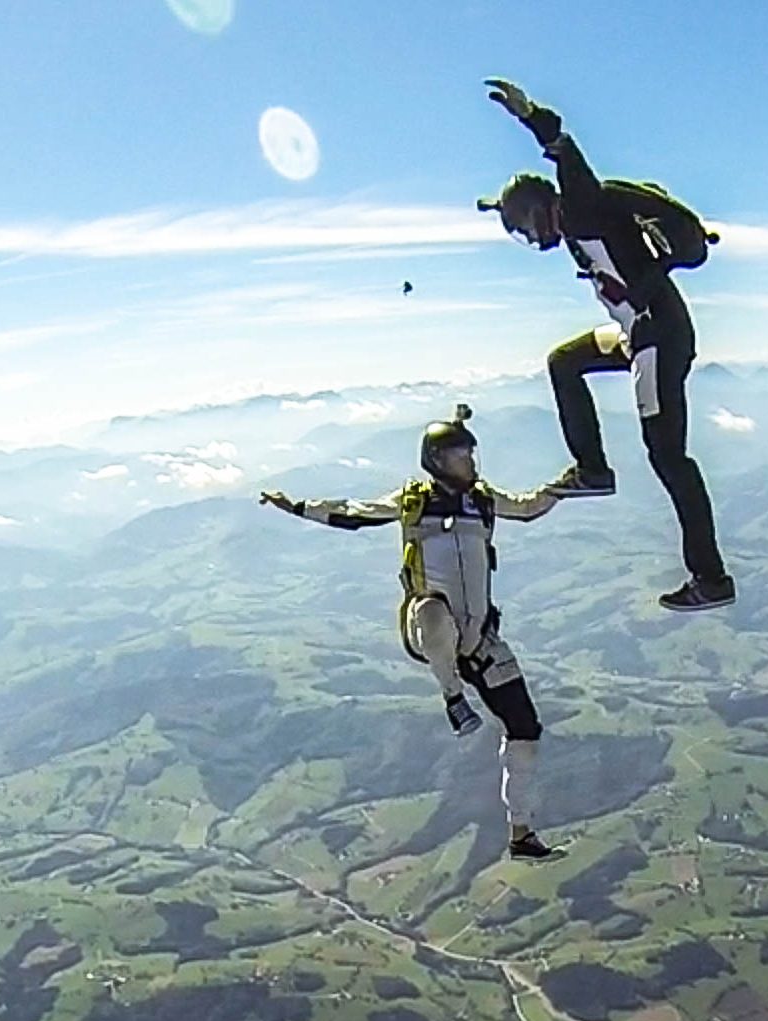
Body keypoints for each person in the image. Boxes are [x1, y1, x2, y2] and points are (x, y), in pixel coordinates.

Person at [259, 405, 562, 861]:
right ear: (438, 460)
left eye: (472, 454)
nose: (472, 463)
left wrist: (567, 485)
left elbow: (525, 508)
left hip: (478, 635)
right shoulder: (411, 501)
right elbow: (353, 512)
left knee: (526, 729)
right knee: (433, 612)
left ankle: (521, 833)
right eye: (462, 455)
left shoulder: (481, 498)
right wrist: (300, 507)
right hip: (429, 627)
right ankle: (453, 699)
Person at [481, 77, 736, 613]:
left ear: (537, 210)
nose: (527, 241)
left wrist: (531, 115)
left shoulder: (583, 207)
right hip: (636, 333)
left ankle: (710, 579)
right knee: (564, 361)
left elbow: (565, 152)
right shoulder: (576, 226)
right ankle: (592, 469)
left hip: (657, 337)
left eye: (520, 228)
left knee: (669, 458)